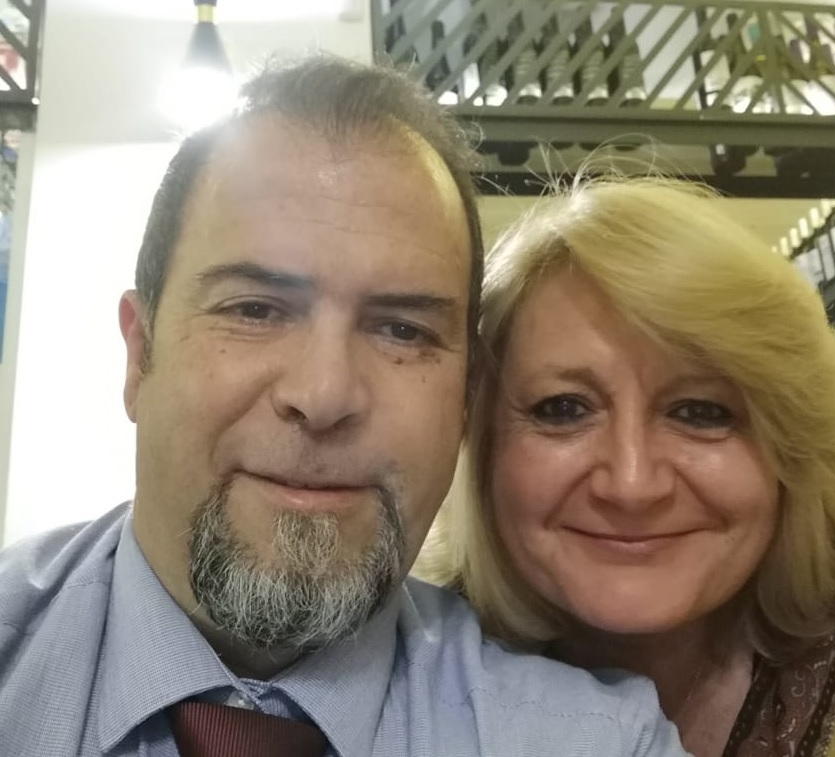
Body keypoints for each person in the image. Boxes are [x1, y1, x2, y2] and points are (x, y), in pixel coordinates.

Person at [0, 59, 691, 756]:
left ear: (465, 399)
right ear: (138, 355)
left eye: (403, 330)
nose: (324, 394)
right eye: (254, 309)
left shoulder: (599, 741)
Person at [419, 175, 835, 756]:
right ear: (481, 445)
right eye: (563, 408)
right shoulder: (408, 677)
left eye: (700, 412)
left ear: (791, 447)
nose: (632, 484)